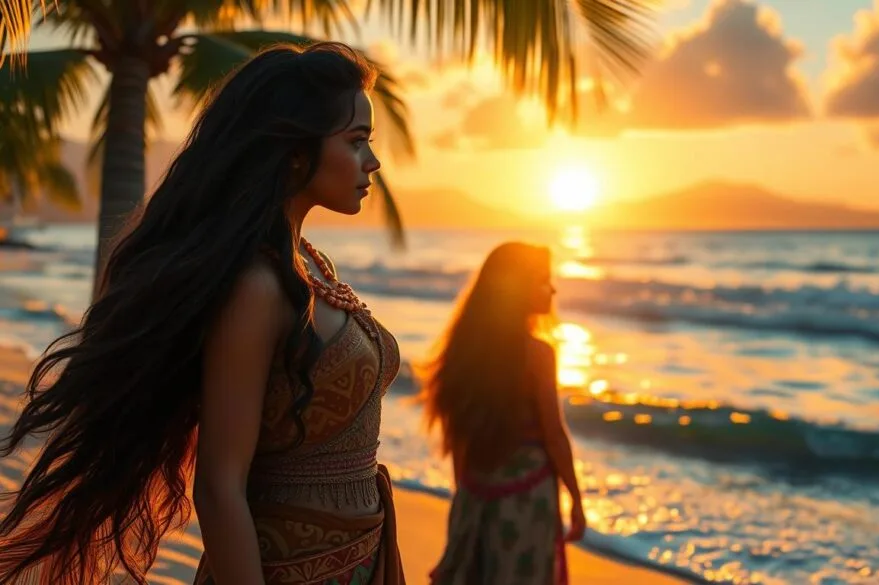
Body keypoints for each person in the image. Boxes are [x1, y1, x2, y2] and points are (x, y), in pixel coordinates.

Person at [0, 42, 405, 585]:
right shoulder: (257, 286)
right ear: (295, 150)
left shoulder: (306, 263)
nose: (372, 161)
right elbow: (218, 487)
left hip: (362, 559)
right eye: (356, 141)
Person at [417, 242, 587, 585]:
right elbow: (554, 436)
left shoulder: (465, 351)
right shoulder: (537, 354)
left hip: (475, 496)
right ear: (520, 288)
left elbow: (459, 438)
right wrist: (577, 501)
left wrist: (466, 495)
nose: (553, 289)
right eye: (544, 280)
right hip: (527, 500)